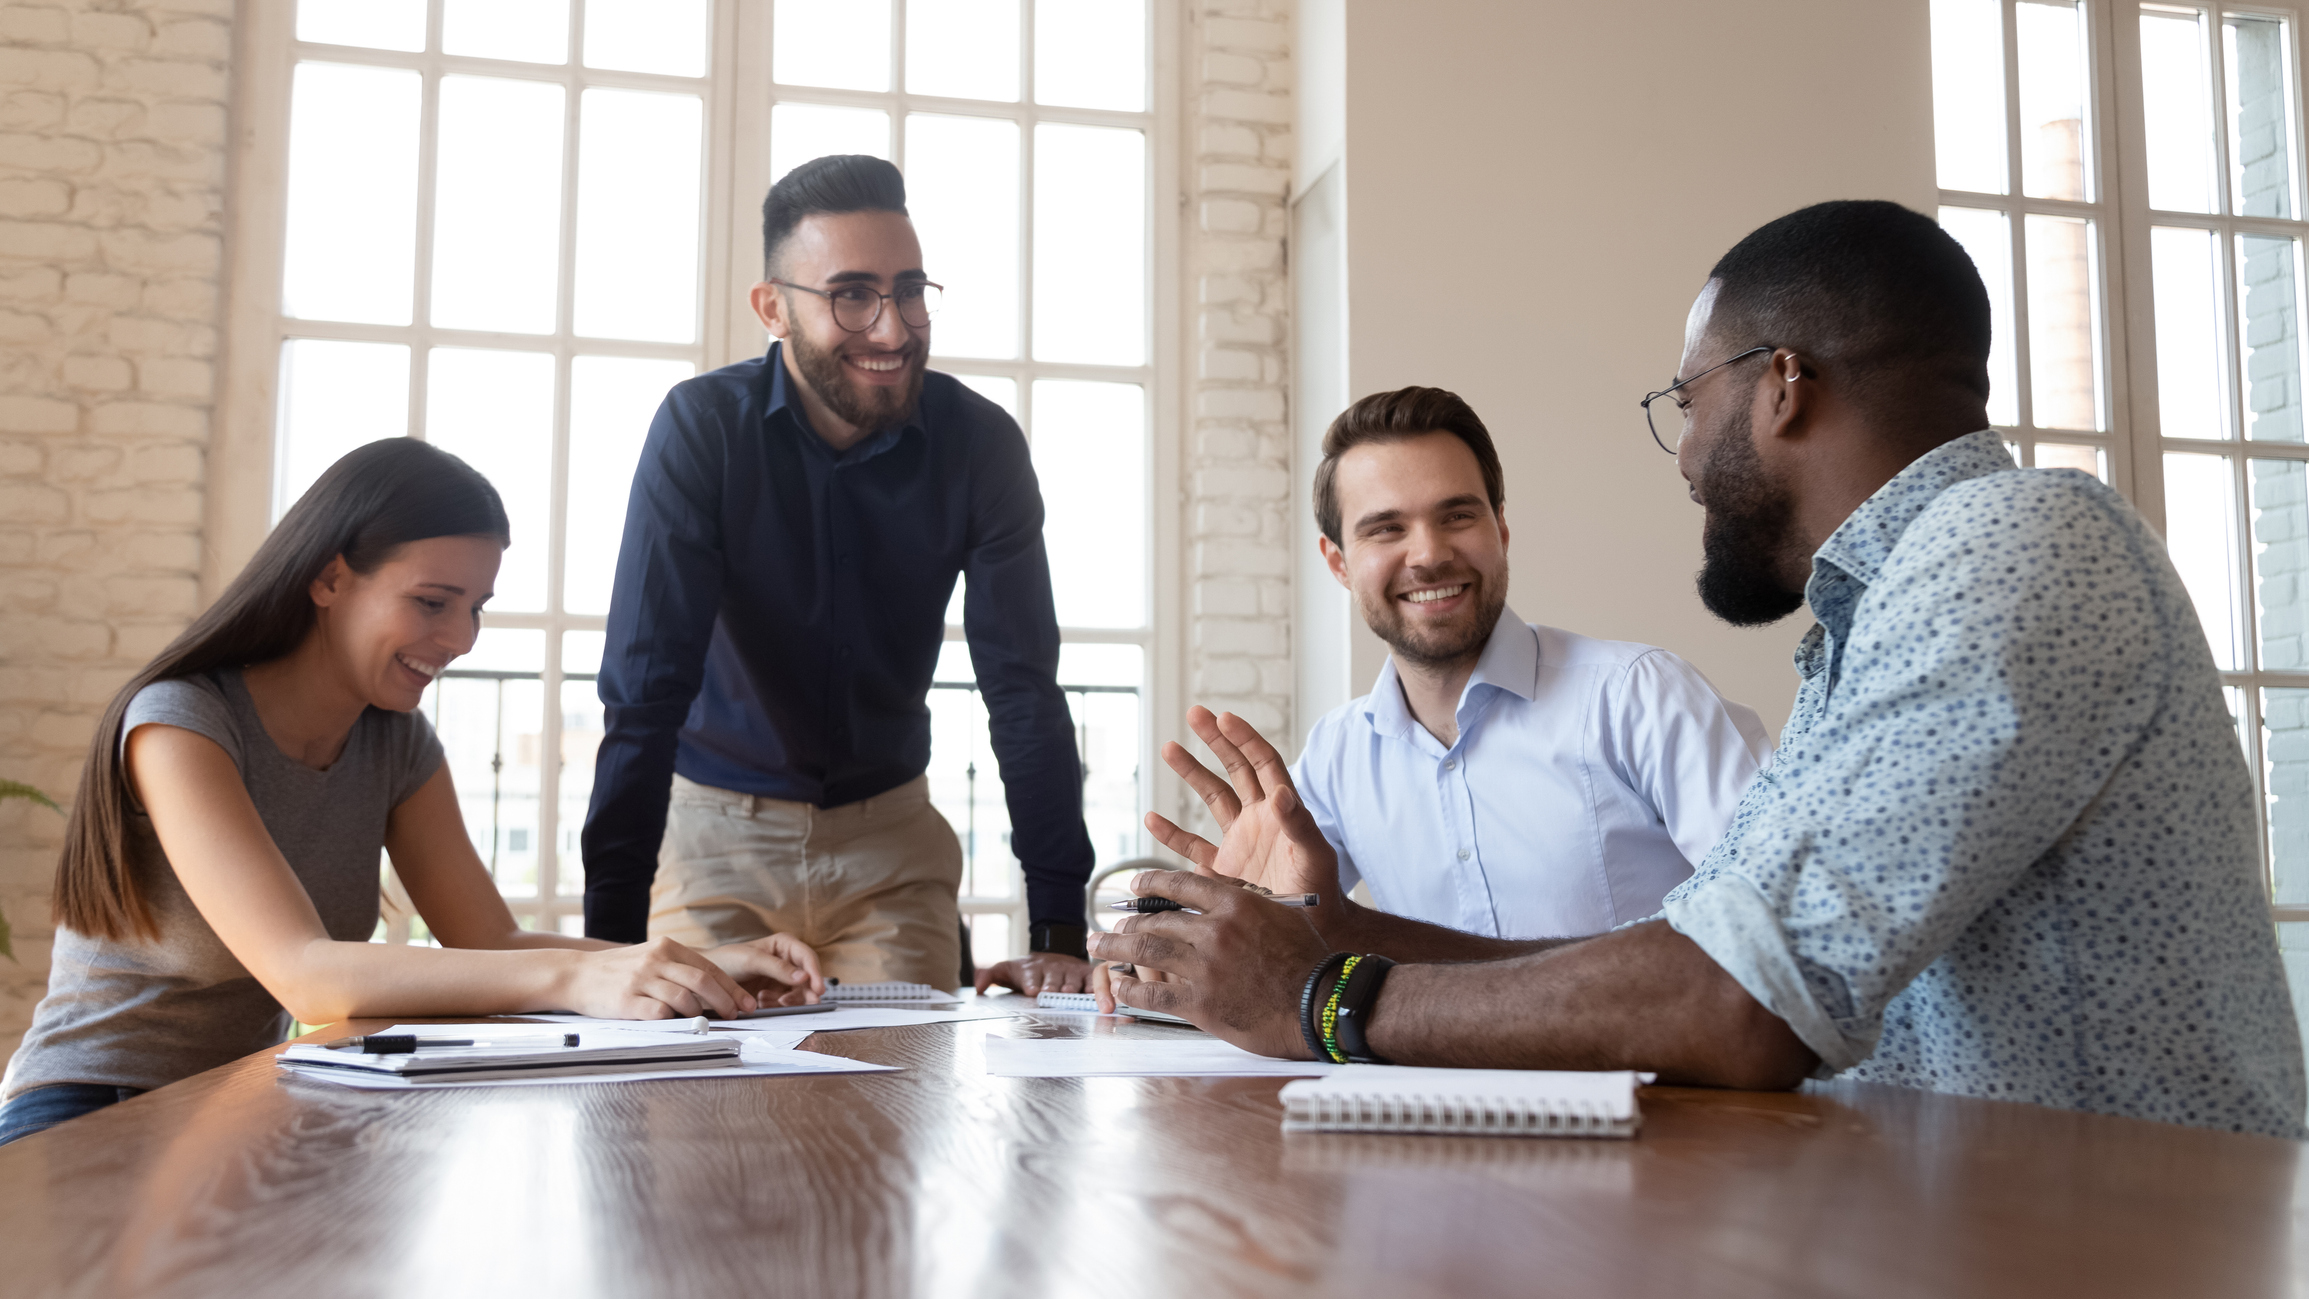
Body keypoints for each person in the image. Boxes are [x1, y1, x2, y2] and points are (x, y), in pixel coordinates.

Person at [1094, 200, 2308, 1138]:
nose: (1680, 456)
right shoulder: (1879, 614)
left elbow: (1739, 1000)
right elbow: (1701, 944)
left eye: (1687, 397)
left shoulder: (2015, 544)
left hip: (2126, 1237)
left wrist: (1326, 996)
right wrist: (1330, 936)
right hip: (1957, 1215)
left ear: (1782, 384)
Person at [0, 439, 822, 1147]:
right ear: (329, 578)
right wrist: (576, 982)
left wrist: (697, 967)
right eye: (432, 602)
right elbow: (308, 978)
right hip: (92, 1106)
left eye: (475, 608)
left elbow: (491, 939)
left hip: (237, 1104)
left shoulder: (394, 742)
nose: (460, 638)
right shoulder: (179, 725)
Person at [581, 155, 1098, 995]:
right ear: (773, 308)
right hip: (714, 840)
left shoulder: (981, 445)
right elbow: (645, 691)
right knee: (689, 1110)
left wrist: (1058, 927)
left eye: (909, 291)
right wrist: (605, 948)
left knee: (894, 1106)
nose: (892, 330)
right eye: (852, 295)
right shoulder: (702, 430)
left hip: (889, 848)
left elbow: (1023, 688)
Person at [1257, 385, 1769, 943]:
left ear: (1500, 529)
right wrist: (1245, 920)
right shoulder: (1337, 755)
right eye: (1386, 529)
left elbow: (1780, 916)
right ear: (1338, 562)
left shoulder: (1638, 697)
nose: (1428, 555)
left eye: (1456, 516)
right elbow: (1284, 935)